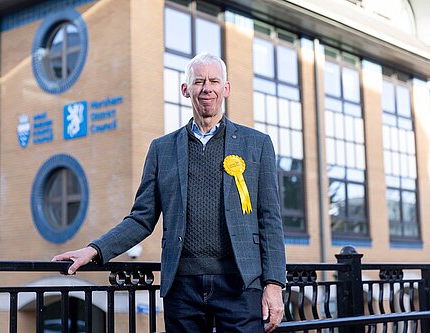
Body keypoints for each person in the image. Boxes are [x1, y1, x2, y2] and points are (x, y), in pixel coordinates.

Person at [53, 52, 286, 333]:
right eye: (198, 81)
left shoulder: (257, 144)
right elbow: (141, 218)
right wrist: (94, 249)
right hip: (182, 288)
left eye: (214, 81)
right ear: (185, 89)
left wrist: (274, 284)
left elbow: (270, 219)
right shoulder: (161, 149)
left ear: (226, 88)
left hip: (240, 284)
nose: (206, 88)